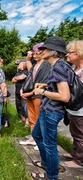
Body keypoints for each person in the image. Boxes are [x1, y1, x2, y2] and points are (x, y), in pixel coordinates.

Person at [31, 36, 73, 180]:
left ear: (54, 51)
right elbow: (58, 85)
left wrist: (41, 92)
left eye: (44, 48)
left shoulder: (59, 67)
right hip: (47, 109)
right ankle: (46, 163)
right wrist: (45, 85)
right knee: (36, 135)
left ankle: (51, 175)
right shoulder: (57, 65)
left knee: (50, 145)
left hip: (52, 112)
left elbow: (64, 96)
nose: (41, 51)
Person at [20, 43, 51, 149]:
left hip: (39, 95)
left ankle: (41, 140)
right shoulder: (34, 65)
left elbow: (43, 81)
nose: (35, 55)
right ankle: (33, 138)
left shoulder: (46, 64)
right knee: (32, 117)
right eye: (34, 53)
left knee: (40, 118)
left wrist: (31, 92)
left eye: (38, 53)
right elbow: (29, 78)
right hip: (30, 95)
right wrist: (23, 89)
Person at [61, 40, 83, 168]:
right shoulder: (74, 69)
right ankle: (75, 153)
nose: (67, 55)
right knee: (75, 132)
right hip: (73, 108)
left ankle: (79, 161)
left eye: (70, 53)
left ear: (80, 53)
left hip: (80, 109)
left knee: (80, 135)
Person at [11, 60, 28, 125]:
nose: (18, 65)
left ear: (24, 64)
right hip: (17, 92)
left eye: (19, 64)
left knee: (24, 106)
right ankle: (22, 118)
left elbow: (22, 77)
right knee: (18, 106)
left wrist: (16, 78)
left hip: (23, 92)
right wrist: (17, 78)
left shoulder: (26, 71)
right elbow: (12, 80)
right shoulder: (19, 72)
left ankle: (27, 122)